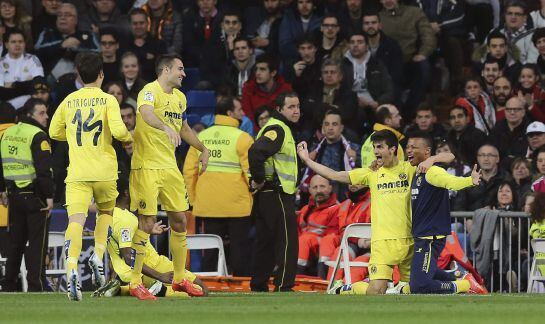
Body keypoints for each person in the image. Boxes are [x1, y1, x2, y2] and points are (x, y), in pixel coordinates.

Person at [298, 129, 455, 295]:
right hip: (382, 244)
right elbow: (335, 175)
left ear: (392, 149)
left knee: (414, 290)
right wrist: (307, 160)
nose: (375, 151)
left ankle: (461, 284)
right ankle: (345, 289)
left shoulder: (409, 169)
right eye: (374, 147)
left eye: (380, 147)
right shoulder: (371, 173)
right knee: (375, 291)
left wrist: (432, 159)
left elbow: (450, 157)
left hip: (409, 241)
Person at [49, 52, 132, 301]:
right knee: (106, 214)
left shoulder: (68, 100)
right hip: (105, 171)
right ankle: (98, 253)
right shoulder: (108, 100)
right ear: (101, 74)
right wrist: (130, 136)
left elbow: (54, 132)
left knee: (75, 221)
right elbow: (119, 131)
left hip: (77, 172)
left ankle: (72, 265)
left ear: (78, 74)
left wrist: (77, 139)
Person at [128, 54, 209, 301]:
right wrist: (164, 127)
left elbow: (183, 129)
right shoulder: (149, 91)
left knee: (180, 221)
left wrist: (202, 148)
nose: (184, 74)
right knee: (147, 221)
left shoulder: (180, 98)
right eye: (180, 69)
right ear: (166, 70)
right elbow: (146, 113)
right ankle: (134, 282)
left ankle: (179, 277)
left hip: (170, 168)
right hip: (147, 167)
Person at [400, 132, 486, 295]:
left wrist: (469, 180)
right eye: (408, 147)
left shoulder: (433, 172)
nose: (409, 151)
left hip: (430, 237)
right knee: (422, 275)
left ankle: (464, 286)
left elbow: (451, 180)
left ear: (427, 151)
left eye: (414, 147)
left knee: (419, 286)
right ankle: (458, 275)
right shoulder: (416, 172)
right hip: (422, 235)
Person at [92, 180, 208, 298]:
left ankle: (121, 290)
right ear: (127, 192)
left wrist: (147, 230)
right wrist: (159, 275)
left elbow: (119, 239)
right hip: (150, 266)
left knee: (194, 288)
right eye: (135, 188)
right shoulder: (124, 219)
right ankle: (159, 289)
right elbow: (128, 256)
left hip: (131, 272)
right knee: (201, 290)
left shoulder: (104, 215)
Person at [183, 96, 254, 276]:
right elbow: (251, 173)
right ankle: (242, 285)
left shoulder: (201, 137)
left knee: (211, 250)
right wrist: (253, 197)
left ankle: (209, 286)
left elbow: (189, 172)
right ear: (230, 113)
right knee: (240, 250)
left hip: (208, 205)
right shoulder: (243, 138)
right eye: (239, 110)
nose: (243, 113)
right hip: (238, 205)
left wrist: (193, 200)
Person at [249, 91, 300, 292]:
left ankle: (259, 285)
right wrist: (259, 179)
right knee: (287, 242)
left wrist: (259, 181)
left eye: (298, 106)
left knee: (265, 243)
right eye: (291, 107)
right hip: (277, 193)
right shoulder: (278, 129)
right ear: (279, 109)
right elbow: (256, 152)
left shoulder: (275, 128)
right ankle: (283, 286)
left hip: (267, 195)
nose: (296, 111)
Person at [0, 98, 54, 292]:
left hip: (13, 196)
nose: (46, 116)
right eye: (42, 113)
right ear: (30, 115)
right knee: (37, 246)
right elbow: (43, 170)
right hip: (34, 196)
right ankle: (35, 286)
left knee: (16, 244)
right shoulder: (38, 135)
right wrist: (49, 196)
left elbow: (1, 162)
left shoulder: (8, 133)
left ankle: (7, 286)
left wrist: (2, 189)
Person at [34, 3, 99, 82]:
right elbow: (37, 53)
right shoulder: (47, 33)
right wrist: (61, 46)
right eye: (59, 15)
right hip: (51, 82)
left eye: (67, 15)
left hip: (81, 82)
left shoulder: (87, 35)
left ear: (76, 20)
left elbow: (97, 54)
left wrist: (75, 50)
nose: (63, 18)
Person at [297, 175, 338, 275]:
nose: (318, 190)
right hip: (305, 249)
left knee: (306, 239)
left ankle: (323, 277)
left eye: (322, 186)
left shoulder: (337, 209)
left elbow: (334, 236)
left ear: (330, 188)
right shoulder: (305, 209)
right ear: (310, 190)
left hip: (325, 248)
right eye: (315, 187)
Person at [342, 32, 394, 110]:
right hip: (349, 105)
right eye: (352, 42)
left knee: (390, 115)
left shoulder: (377, 64)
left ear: (367, 46)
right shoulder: (342, 65)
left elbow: (389, 91)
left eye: (360, 42)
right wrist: (354, 100)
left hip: (375, 105)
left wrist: (377, 103)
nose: (355, 45)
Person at [241, 54, 292, 128]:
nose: (257, 73)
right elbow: (249, 118)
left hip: (281, 130)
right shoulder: (248, 89)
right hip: (257, 133)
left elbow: (289, 115)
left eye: (262, 69)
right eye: (256, 69)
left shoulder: (285, 89)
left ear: (273, 73)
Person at [0, 29, 44, 109]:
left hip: (28, 106)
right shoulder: (0, 63)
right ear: (6, 45)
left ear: (24, 44)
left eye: (20, 42)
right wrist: (26, 84)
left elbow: (38, 84)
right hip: (5, 107)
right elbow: (2, 93)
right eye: (13, 42)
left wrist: (13, 85)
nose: (17, 45)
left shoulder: (32, 59)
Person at [124, 8, 167, 82]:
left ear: (147, 23)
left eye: (141, 23)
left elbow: (162, 70)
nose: (138, 26)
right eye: (135, 23)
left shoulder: (159, 44)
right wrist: (145, 56)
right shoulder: (123, 44)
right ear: (130, 25)